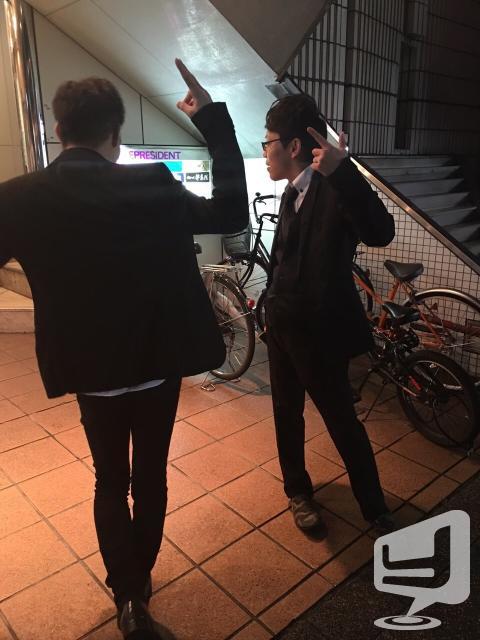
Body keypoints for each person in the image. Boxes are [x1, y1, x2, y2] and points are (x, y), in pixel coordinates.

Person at [0, 61, 248, 639]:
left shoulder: (19, 198)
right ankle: (139, 582)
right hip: (157, 365)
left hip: (92, 372)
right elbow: (231, 213)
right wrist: (213, 122)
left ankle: (128, 595)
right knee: (151, 475)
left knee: (109, 480)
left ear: (59, 129)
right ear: (115, 134)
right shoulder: (153, 183)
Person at [262, 94, 396, 537]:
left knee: (342, 422)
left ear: (293, 146)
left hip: (319, 335)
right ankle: (298, 492)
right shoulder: (291, 191)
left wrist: (345, 172)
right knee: (286, 413)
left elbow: (380, 232)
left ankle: (375, 510)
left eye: (268, 143)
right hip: (281, 324)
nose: (265, 152)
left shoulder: (333, 186)